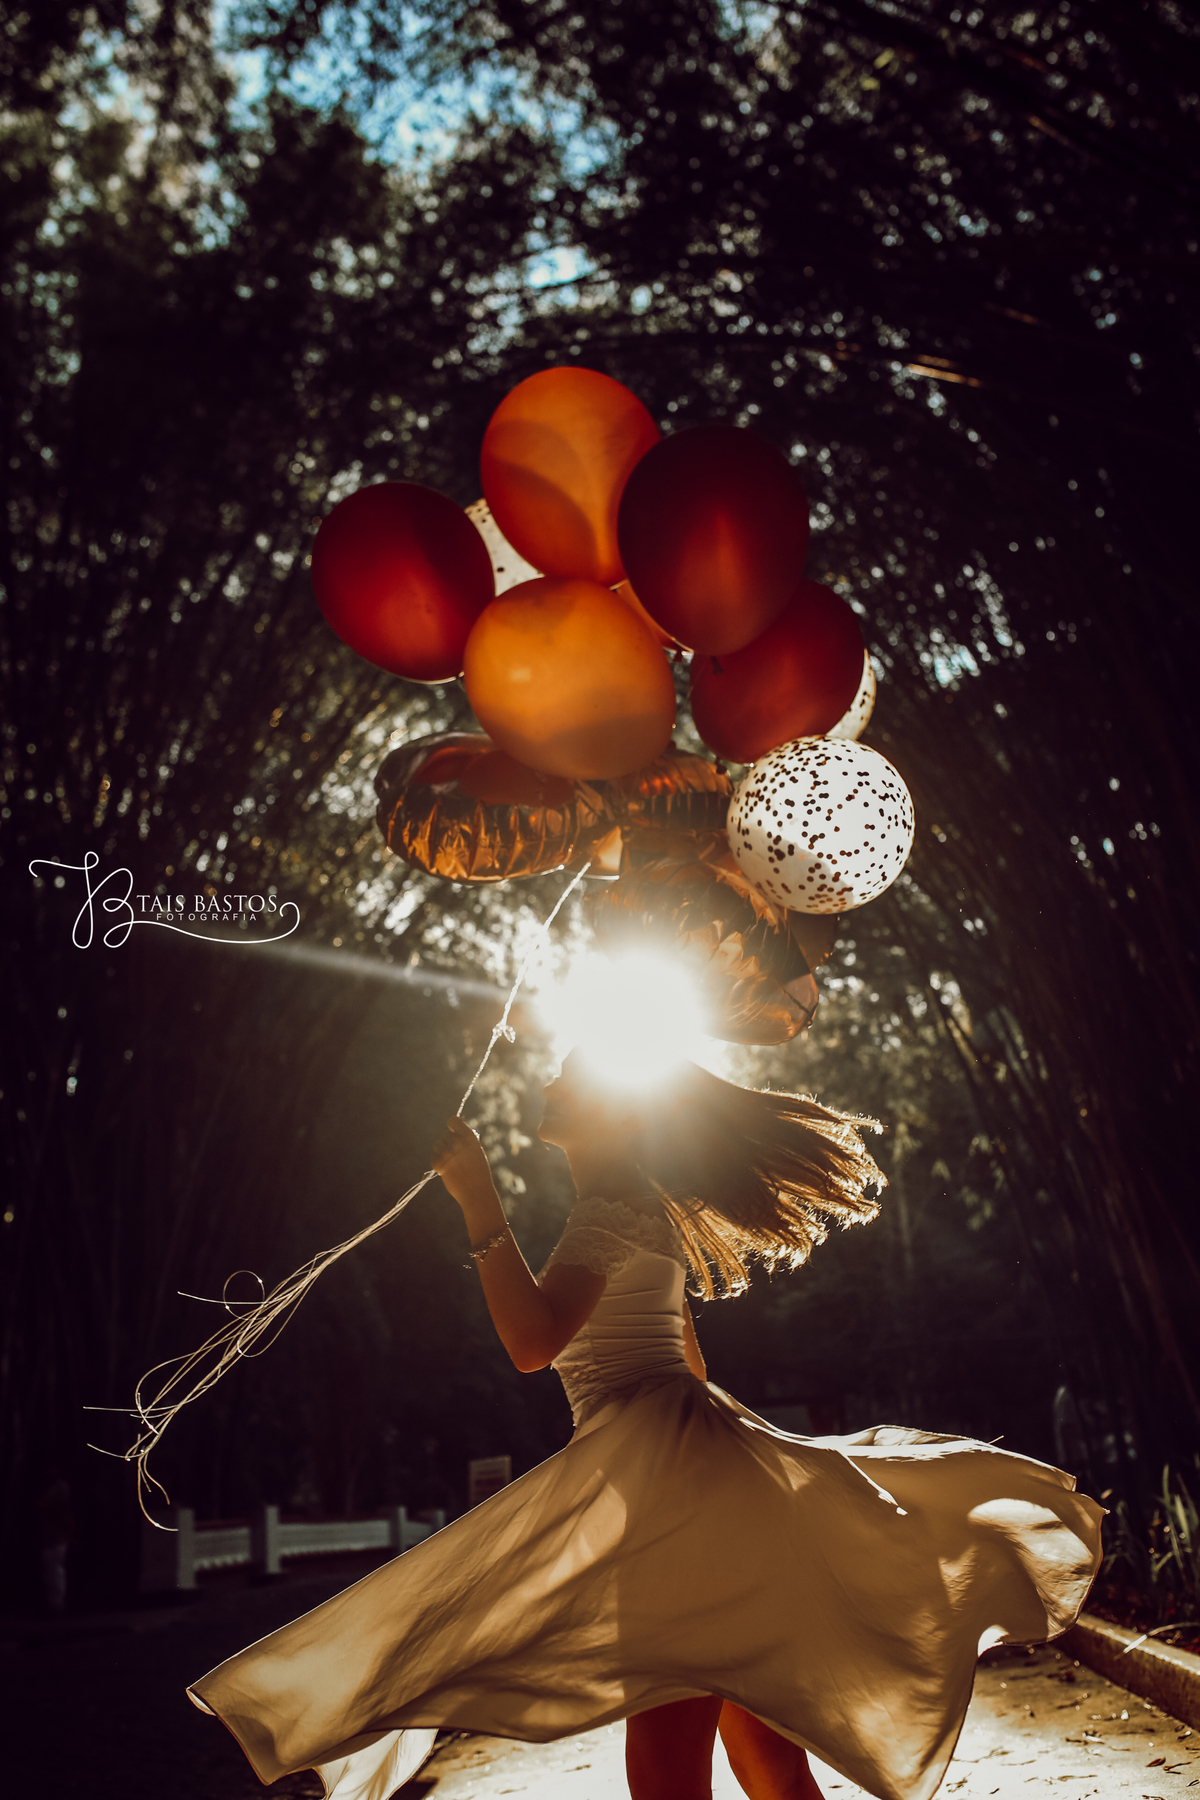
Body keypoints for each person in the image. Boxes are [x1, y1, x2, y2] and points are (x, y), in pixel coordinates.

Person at [189, 1050, 1102, 1800]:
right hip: (693, 1486)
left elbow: (533, 1344)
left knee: (672, 1775)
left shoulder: (611, 1211)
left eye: (572, 1077)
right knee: (765, 1763)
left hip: (680, 1505)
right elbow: (687, 1366)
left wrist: (478, 1202)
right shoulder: (634, 1211)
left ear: (616, 1115)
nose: (550, 1081)